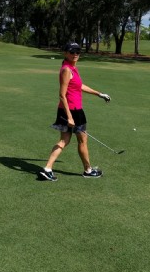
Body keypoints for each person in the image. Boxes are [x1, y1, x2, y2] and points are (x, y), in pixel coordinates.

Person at [39, 42, 111, 181]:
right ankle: (87, 170)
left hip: (73, 110)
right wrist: (70, 117)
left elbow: (80, 86)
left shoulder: (72, 68)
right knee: (77, 140)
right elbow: (62, 94)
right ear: (65, 53)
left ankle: (48, 169)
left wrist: (99, 94)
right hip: (72, 111)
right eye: (72, 52)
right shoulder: (67, 69)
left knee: (69, 140)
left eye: (78, 52)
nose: (76, 54)